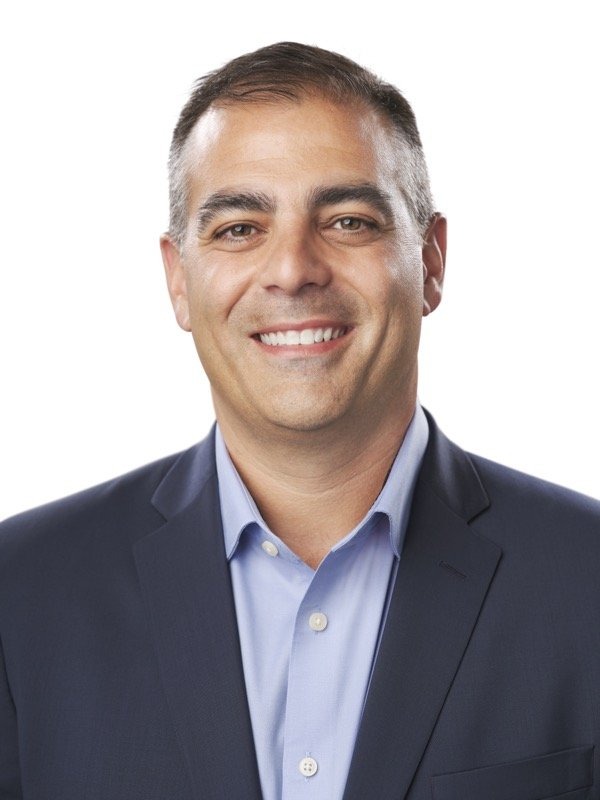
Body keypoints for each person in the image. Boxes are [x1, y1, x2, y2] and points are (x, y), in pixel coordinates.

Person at [0, 41, 599, 800]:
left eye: (347, 221)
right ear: (179, 281)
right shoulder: (21, 595)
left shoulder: (587, 581)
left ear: (432, 261)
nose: (293, 270)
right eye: (239, 228)